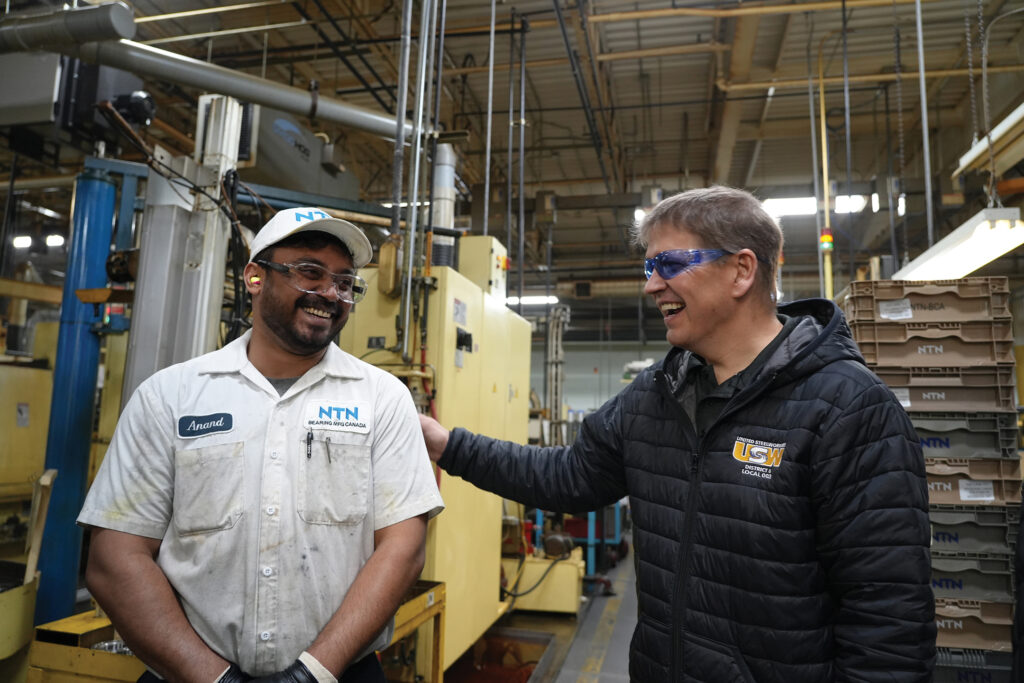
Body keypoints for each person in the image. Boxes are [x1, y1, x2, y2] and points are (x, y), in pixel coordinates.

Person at [420, 186, 935, 682]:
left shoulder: (848, 408)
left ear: (741, 270)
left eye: (669, 265)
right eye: (649, 267)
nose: (651, 284)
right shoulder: (656, 394)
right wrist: (447, 445)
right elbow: (569, 476)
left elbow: (887, 618)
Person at [80, 207, 444, 683]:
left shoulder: (382, 398)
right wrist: (212, 677)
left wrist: (313, 673)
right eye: (310, 273)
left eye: (343, 282)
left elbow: (403, 547)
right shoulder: (171, 396)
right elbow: (115, 558)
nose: (330, 294)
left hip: (342, 674)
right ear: (254, 277)